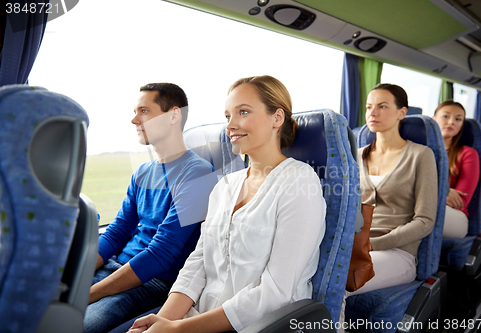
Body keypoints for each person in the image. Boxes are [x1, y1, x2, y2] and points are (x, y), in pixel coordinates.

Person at [128, 75, 327, 333]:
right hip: (198, 317)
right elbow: (198, 264)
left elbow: (277, 291)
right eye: (227, 117)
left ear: (277, 118)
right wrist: (163, 321)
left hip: (258, 325)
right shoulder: (224, 186)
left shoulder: (299, 182)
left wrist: (178, 330)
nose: (230, 125)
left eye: (242, 112)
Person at [84, 83, 218, 333]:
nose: (134, 119)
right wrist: (77, 274)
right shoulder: (142, 173)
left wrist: (89, 293)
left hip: (154, 281)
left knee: (73, 325)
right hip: (116, 267)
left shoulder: (197, 174)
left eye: (144, 111)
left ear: (173, 116)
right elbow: (116, 234)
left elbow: (162, 253)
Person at [341, 84, 438, 330]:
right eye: (369, 107)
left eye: (382, 106)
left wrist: (373, 245)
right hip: (356, 248)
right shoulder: (357, 155)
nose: (373, 113)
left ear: (401, 112)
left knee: (337, 283)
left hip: (398, 253)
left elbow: (425, 221)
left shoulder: (421, 155)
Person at [433, 100, 480, 238]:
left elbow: (460, 201)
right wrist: (444, 191)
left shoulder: (468, 153)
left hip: (455, 216)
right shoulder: (418, 151)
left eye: (458, 119)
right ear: (433, 120)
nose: (452, 122)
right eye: (446, 116)